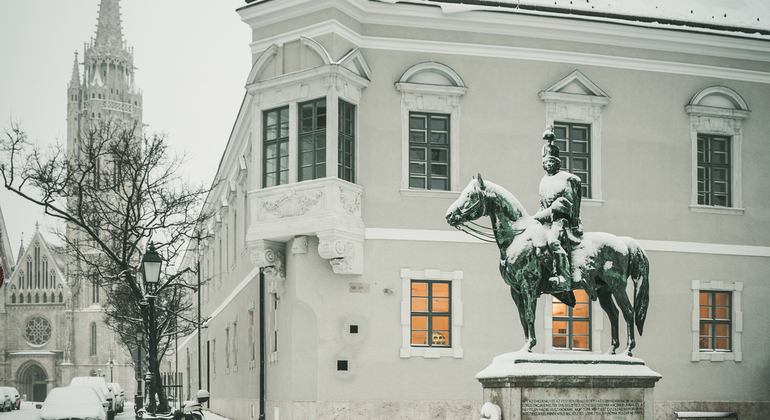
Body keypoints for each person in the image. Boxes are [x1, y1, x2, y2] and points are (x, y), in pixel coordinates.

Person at [533, 127, 583, 292]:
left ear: (557, 162)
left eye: (551, 162)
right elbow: (543, 206)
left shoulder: (565, 180)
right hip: (547, 222)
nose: (548, 165)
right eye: (546, 162)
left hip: (561, 222)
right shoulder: (543, 182)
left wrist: (543, 215)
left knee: (553, 242)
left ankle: (563, 276)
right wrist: (534, 218)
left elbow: (564, 204)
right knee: (534, 243)